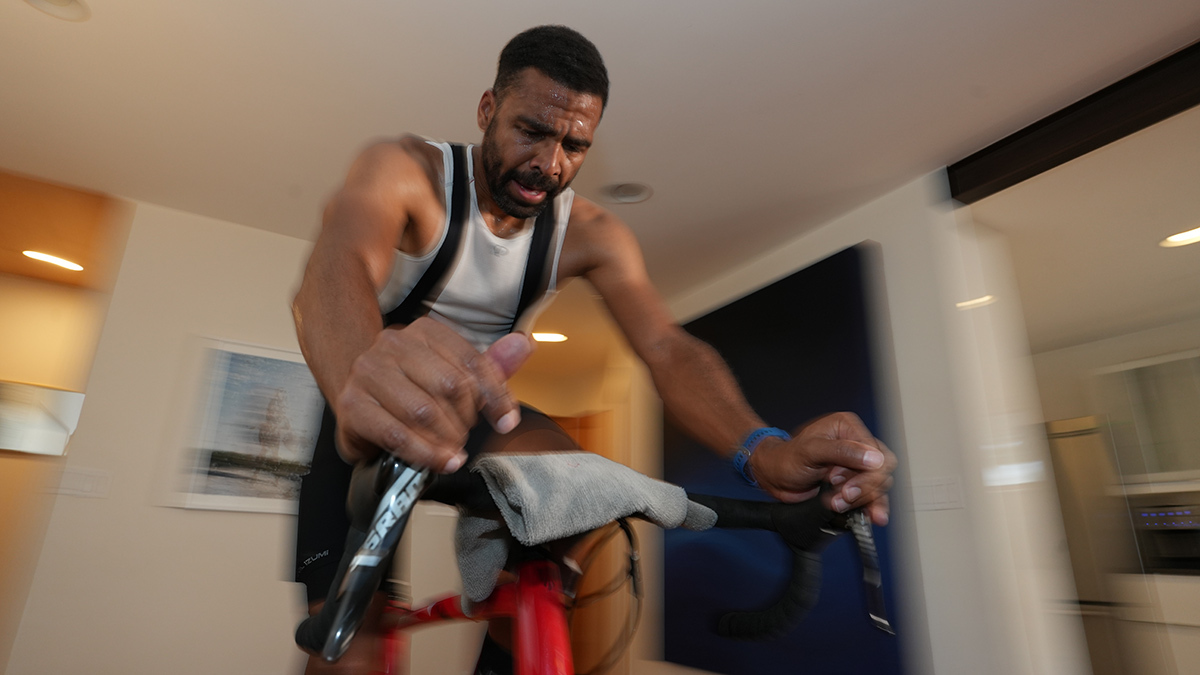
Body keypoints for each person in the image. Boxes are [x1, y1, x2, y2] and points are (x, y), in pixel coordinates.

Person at [291, 24, 896, 674]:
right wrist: (364, 366)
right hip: (367, 398)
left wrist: (763, 449)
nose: (550, 163)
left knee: (581, 491)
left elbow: (666, 346)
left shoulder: (592, 233)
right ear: (488, 109)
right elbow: (338, 264)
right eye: (531, 130)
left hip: (479, 412)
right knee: (352, 658)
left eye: (574, 144)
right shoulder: (408, 169)